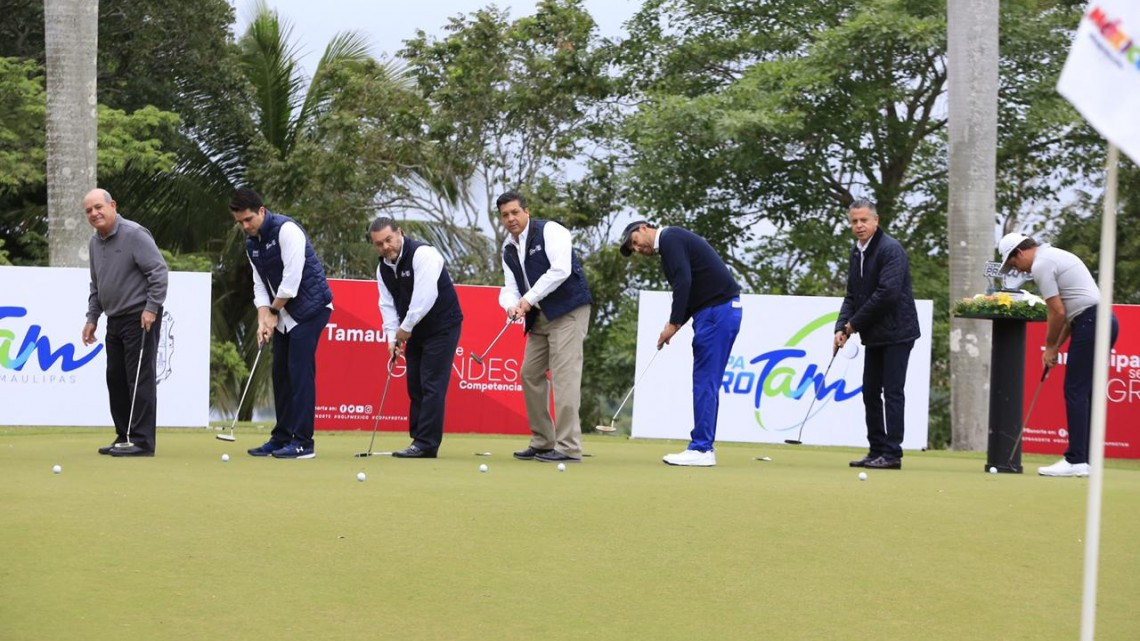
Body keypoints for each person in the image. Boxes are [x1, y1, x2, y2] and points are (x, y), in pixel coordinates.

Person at [620, 221, 742, 467]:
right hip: (715, 311)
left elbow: (683, 283)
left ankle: (702, 449)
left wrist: (674, 323)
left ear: (644, 228)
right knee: (706, 382)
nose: (637, 249)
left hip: (716, 313)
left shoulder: (669, 238)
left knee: (705, 382)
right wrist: (673, 327)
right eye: (632, 249)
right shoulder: (671, 244)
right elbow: (692, 292)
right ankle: (703, 446)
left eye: (634, 241)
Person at [998, 232, 1119, 477]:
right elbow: (1069, 314)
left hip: (1091, 321)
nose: (1018, 270)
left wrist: (1050, 346)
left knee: (1075, 390)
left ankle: (1076, 460)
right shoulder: (1054, 255)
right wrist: (1055, 347)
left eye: (1013, 263)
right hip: (1103, 320)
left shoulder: (1042, 264)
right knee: (1087, 392)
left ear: (1020, 252)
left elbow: (1057, 312)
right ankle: (1086, 460)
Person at [230, 188, 333, 459]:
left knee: (299, 373)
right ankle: (282, 437)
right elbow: (259, 285)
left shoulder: (287, 230)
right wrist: (263, 318)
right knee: (281, 374)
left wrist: (273, 312)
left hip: (312, 308)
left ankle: (303, 443)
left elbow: (291, 280)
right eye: (240, 222)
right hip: (283, 312)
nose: (245, 226)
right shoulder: (252, 243)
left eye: (249, 219)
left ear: (262, 211)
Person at [498, 192, 593, 464]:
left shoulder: (551, 231)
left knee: (564, 378)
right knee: (529, 373)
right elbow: (510, 288)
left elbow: (560, 270)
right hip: (539, 317)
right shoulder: (508, 249)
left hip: (568, 311)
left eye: (515, 212)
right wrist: (510, 305)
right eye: (505, 215)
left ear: (526, 211)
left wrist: (527, 299)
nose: (511, 219)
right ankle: (543, 441)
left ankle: (569, 447)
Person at [81, 188, 169, 457]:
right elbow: (97, 285)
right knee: (115, 379)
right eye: (88, 210)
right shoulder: (95, 243)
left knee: (139, 379)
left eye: (98, 207)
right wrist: (92, 317)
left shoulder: (134, 234)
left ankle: (142, 442)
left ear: (112, 206)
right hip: (114, 319)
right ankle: (124, 435)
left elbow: (158, 272)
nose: (94, 213)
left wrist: (151, 308)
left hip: (139, 317)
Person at [835, 199, 920, 471]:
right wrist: (841, 326)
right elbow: (853, 294)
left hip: (898, 331)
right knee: (870, 391)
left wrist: (853, 326)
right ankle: (876, 449)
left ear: (876, 221)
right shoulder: (857, 251)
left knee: (892, 391)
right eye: (854, 221)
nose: (859, 226)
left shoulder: (890, 249)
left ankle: (892, 453)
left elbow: (887, 294)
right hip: (875, 333)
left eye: (864, 220)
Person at [370, 217, 463, 458]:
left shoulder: (424, 254)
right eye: (379, 244)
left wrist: (405, 328)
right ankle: (418, 440)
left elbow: (425, 297)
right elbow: (387, 305)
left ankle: (426, 444)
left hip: (442, 324)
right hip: (413, 329)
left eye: (388, 240)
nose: (385, 247)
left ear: (399, 233)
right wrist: (392, 338)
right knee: (415, 383)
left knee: (432, 384)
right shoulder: (383, 268)